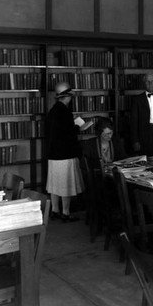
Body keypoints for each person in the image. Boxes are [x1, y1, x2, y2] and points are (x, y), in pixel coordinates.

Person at [46, 82, 87, 222]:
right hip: (65, 154)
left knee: (54, 184)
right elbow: (68, 134)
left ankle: (55, 210)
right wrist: (79, 128)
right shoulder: (65, 112)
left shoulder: (52, 111)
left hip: (53, 154)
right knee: (65, 184)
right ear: (67, 97)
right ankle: (66, 212)